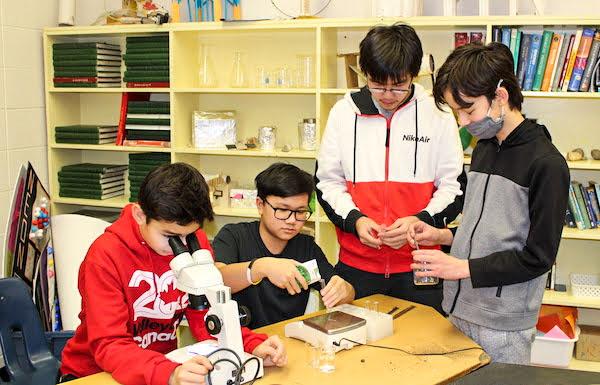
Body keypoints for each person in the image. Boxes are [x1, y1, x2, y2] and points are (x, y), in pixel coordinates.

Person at [408, 42, 570, 364]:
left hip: (503, 326)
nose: (463, 122)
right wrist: (443, 237)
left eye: (468, 110)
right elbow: (488, 228)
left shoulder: (547, 164)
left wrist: (462, 267)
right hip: (458, 307)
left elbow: (538, 258)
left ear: (500, 96)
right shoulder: (484, 148)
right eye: (457, 112)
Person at [59, 163, 287, 385]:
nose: (181, 246)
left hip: (157, 368)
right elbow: (109, 344)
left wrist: (250, 344)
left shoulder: (194, 244)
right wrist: (167, 373)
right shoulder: (105, 256)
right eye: (170, 236)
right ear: (140, 215)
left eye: (190, 235)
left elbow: (204, 318)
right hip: (93, 373)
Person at [315, 23, 465, 313]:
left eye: (398, 85)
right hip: (356, 267)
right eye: (377, 85)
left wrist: (420, 220)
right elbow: (327, 182)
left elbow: (453, 186)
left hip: (420, 267)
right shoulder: (343, 113)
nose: (387, 94)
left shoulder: (439, 114)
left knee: (424, 350)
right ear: (364, 74)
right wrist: (355, 220)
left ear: (414, 74)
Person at [214, 163, 355, 329]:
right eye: (282, 209)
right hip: (242, 344)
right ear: (260, 205)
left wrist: (345, 290)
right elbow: (216, 280)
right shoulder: (234, 236)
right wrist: (261, 267)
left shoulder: (306, 247)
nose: (292, 220)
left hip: (288, 342)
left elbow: (342, 289)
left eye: (300, 211)